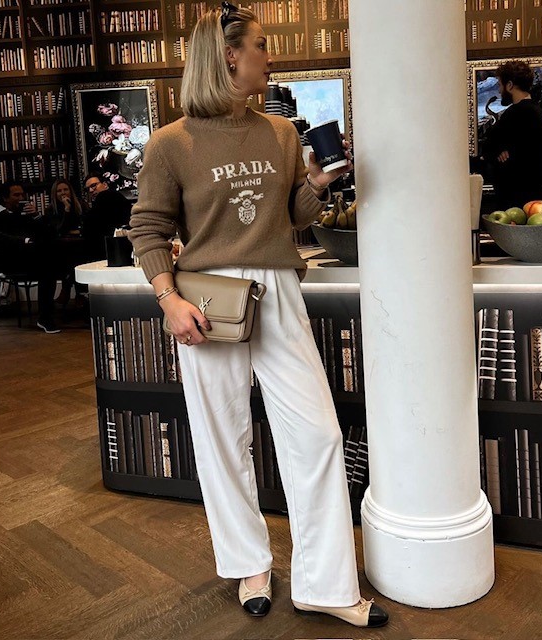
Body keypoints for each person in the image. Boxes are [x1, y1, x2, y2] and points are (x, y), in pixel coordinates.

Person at [128, 2, 389, 629]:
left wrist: (320, 182)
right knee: (222, 438)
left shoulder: (281, 132)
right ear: (229, 58)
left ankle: (325, 584)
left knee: (319, 436)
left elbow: (292, 217)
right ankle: (250, 563)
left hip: (277, 289)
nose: (270, 58)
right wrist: (168, 299)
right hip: (207, 301)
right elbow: (149, 228)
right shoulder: (172, 143)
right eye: (262, 47)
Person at [0, 180, 60, 333]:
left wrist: (37, 216)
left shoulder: (22, 214)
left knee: (49, 266)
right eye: (16, 194)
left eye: (22, 194)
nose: (21, 197)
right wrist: (24, 241)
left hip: (27, 258)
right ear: (5, 198)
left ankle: (45, 317)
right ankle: (47, 315)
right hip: (4, 261)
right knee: (48, 263)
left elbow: (49, 232)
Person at [483, 60, 542, 210]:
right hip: (533, 201)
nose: (499, 91)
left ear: (510, 85)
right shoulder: (536, 112)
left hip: (515, 202)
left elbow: (488, 144)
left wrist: (499, 152)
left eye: (500, 85)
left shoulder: (515, 113)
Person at [45, 178, 86, 305]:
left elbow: (85, 224)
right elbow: (59, 230)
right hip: (61, 247)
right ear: (54, 194)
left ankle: (67, 288)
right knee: (70, 258)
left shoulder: (80, 204)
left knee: (78, 257)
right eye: (59, 191)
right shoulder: (51, 210)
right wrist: (67, 210)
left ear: (70, 191)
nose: (63, 193)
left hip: (80, 243)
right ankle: (79, 293)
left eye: (65, 189)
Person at [81, 172, 132, 262]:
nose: (91, 190)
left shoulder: (106, 197)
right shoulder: (117, 197)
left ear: (105, 185)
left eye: (93, 185)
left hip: (110, 252)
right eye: (87, 189)